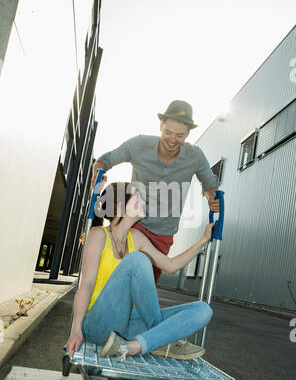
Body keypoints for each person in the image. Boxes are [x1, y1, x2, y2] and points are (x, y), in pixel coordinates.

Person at [65, 182, 214, 361]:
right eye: (137, 197)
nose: (143, 201)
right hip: (98, 323)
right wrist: (76, 328)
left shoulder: (137, 238)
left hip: (127, 329)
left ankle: (134, 346)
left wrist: (203, 241)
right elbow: (86, 284)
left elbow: (171, 265)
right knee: (137, 260)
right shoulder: (98, 235)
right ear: (120, 205)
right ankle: (161, 338)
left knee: (203, 309)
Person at [91, 100, 220, 283]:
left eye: (180, 135)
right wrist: (99, 173)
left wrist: (211, 198)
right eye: (168, 132)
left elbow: (210, 186)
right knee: (120, 278)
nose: (172, 140)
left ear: (188, 134)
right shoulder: (139, 144)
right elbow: (105, 160)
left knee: (145, 285)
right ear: (160, 126)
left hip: (163, 234)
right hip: (135, 223)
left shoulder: (195, 156)